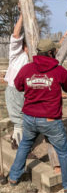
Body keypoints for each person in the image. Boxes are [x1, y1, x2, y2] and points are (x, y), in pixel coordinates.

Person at [9, 39, 67, 193]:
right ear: (50, 52)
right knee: (63, 151)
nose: (56, 53)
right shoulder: (59, 70)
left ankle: (14, 177)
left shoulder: (27, 69)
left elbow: (18, 85)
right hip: (50, 119)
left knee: (24, 145)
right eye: (54, 51)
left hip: (29, 117)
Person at [4, 11, 29, 149]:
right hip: (14, 89)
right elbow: (15, 35)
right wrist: (22, 15)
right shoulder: (16, 54)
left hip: (23, 91)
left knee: (23, 118)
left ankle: (15, 140)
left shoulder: (32, 58)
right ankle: (21, 148)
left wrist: (64, 37)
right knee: (19, 120)